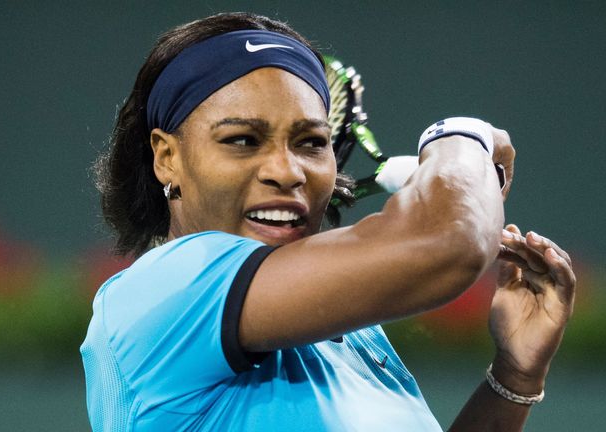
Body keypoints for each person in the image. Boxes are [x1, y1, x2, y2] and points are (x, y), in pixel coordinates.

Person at [81, 11, 576, 432]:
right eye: (242, 141)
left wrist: (513, 379)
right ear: (167, 157)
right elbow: (448, 243)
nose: (286, 171)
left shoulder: (357, 338)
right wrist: (460, 137)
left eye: (311, 143)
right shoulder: (166, 288)